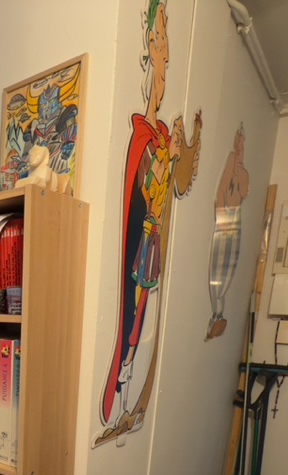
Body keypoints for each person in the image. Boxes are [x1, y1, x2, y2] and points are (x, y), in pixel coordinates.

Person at [95, 0, 201, 447]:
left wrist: (175, 153)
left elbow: (167, 187)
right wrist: (166, 159)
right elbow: (145, 189)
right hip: (139, 245)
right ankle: (120, 398)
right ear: (148, 56)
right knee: (131, 318)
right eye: (159, 51)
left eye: (167, 57)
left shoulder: (158, 138)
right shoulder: (144, 137)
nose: (164, 67)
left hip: (151, 246)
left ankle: (126, 401)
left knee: (140, 320)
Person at [206, 126, 250, 339]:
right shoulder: (230, 162)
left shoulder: (243, 173)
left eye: (242, 144)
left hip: (234, 218)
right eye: (238, 143)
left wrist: (240, 173)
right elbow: (222, 190)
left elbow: (243, 193)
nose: (240, 149)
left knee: (228, 268)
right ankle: (216, 314)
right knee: (217, 271)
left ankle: (218, 315)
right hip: (224, 218)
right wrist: (221, 216)